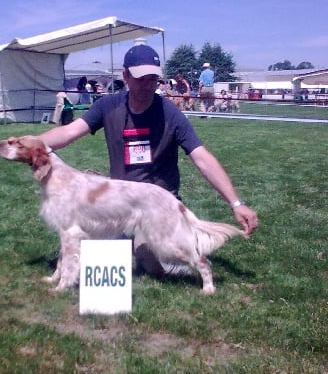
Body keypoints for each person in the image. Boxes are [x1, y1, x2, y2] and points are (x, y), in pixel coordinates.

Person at [37, 44, 258, 275]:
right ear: (125, 77)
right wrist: (33, 143)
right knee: (94, 243)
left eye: (152, 79)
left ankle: (182, 245)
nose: (147, 86)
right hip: (119, 200)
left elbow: (201, 157)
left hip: (157, 202)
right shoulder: (107, 106)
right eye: (140, 78)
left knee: (153, 258)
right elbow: (69, 132)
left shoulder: (170, 113)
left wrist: (236, 203)